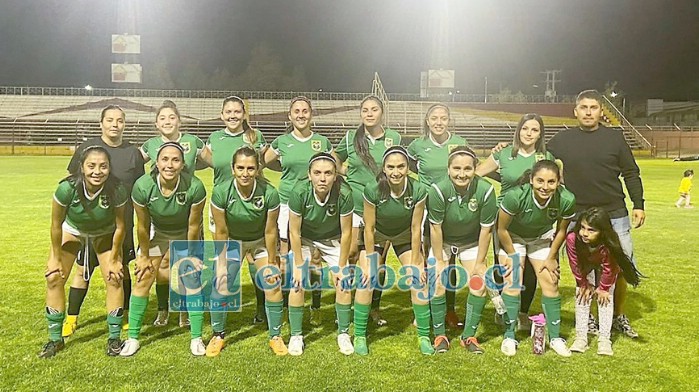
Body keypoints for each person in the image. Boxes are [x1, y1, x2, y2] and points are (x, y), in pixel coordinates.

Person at [547, 89, 645, 338]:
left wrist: (639, 204)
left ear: (601, 111)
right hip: (579, 216)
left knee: (621, 266)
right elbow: (538, 158)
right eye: (583, 107)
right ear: (575, 111)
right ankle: (588, 317)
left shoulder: (615, 139)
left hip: (614, 212)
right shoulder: (562, 140)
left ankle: (618, 316)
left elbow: (631, 172)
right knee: (584, 268)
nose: (588, 112)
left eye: (593, 107)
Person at [62, 105, 145, 337]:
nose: (114, 125)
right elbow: (73, 181)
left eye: (119, 120)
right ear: (101, 123)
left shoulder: (133, 153)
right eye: (110, 120)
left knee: (122, 269)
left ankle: (124, 314)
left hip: (122, 222)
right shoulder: (87, 148)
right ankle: (71, 317)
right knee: (83, 269)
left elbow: (138, 189)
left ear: (124, 124)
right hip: (90, 223)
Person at [119, 142, 206, 357]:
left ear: (183, 164)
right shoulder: (142, 186)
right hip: (158, 234)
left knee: (191, 281)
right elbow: (142, 225)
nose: (170, 164)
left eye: (175, 160)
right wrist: (144, 256)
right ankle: (133, 339)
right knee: (143, 278)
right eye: (165, 159)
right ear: (157, 162)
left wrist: (192, 256)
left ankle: (196, 338)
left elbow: (193, 226)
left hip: (185, 234)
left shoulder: (195, 186)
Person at [40, 146, 127, 358]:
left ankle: (114, 338)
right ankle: (54, 340)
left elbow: (121, 226)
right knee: (54, 277)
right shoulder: (66, 188)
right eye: (91, 166)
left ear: (109, 168)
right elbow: (55, 224)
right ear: (81, 167)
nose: (97, 171)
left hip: (104, 233)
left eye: (103, 166)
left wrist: (115, 258)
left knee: (115, 277)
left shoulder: (117, 189)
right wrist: (54, 257)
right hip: (73, 231)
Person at [476, 113, 555, 331]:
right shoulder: (503, 154)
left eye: (534, 130)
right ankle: (502, 309)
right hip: (505, 220)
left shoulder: (545, 157)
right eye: (525, 129)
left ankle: (522, 313)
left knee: (530, 269)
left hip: (535, 220)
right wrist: (498, 187)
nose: (529, 133)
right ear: (518, 131)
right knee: (507, 267)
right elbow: (477, 173)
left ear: (540, 134)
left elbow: (555, 184)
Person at [353, 146, 434, 355]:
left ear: (408, 167)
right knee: (367, 279)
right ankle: (360, 335)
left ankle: (424, 336)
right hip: (377, 233)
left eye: (401, 166)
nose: (395, 171)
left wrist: (417, 262)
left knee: (419, 280)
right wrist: (371, 259)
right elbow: (369, 229)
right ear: (384, 168)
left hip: (403, 235)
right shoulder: (373, 189)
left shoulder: (419, 189)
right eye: (391, 167)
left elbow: (416, 227)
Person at [207, 146, 287, 357]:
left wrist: (272, 260)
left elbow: (271, 231)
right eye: (240, 168)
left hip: (260, 240)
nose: (245, 173)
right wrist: (222, 259)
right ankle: (218, 335)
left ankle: (276, 336)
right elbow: (221, 231)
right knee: (221, 284)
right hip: (233, 241)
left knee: (273, 283)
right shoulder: (221, 192)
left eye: (250, 168)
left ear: (258, 169)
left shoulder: (269, 193)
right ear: (233, 169)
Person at [264, 96, 333, 325]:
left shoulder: (322, 142)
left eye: (305, 111)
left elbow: (334, 168)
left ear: (311, 114)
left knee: (314, 258)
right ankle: (286, 304)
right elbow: (265, 162)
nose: (301, 115)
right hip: (286, 204)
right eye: (296, 111)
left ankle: (315, 306)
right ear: (290, 115)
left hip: (314, 205)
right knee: (287, 258)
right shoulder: (282, 142)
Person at [201, 95, 268, 325]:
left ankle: (261, 307)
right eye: (228, 112)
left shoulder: (254, 136)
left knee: (254, 256)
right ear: (222, 115)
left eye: (237, 112)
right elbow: (208, 163)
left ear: (244, 114)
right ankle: (222, 313)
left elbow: (264, 163)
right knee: (224, 257)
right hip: (222, 205)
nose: (232, 116)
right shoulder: (214, 138)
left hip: (250, 204)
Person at [335, 95, 402, 326]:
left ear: (382, 112)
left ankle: (374, 308)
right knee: (352, 254)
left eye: (374, 109)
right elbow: (334, 159)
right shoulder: (350, 137)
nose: (369, 113)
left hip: (381, 207)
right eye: (365, 110)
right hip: (355, 205)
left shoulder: (394, 137)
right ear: (360, 113)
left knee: (378, 261)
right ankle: (351, 301)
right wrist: (346, 172)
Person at [497, 160, 574, 357]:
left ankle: (555, 338)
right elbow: (501, 229)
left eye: (551, 182)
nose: (545, 187)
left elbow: (561, 231)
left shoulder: (566, 199)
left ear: (558, 182)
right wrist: (513, 256)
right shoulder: (515, 196)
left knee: (551, 281)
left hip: (541, 238)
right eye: (540, 181)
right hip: (512, 238)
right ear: (531, 180)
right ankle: (509, 336)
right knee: (513, 280)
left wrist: (552, 257)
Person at [139, 100, 205, 328]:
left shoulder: (192, 142)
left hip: (189, 210)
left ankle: (184, 311)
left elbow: (219, 162)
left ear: (179, 120)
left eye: (172, 117)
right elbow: (132, 164)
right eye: (162, 118)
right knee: (164, 262)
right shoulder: (150, 144)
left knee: (187, 263)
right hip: (162, 214)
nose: (168, 121)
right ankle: (163, 309)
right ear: (156, 123)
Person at [427, 146, 497, 354]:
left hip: (471, 242)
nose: (462, 173)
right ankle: (440, 335)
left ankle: (469, 337)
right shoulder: (438, 189)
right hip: (444, 241)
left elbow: (486, 230)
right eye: (456, 168)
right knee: (438, 282)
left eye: (467, 168)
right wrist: (439, 260)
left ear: (475, 168)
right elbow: (435, 228)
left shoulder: (486, 190)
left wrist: (480, 263)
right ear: (448, 169)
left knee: (479, 284)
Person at [407, 103, 469, 329]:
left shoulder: (459, 143)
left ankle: (449, 310)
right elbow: (408, 166)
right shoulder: (417, 145)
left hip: (452, 207)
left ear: (449, 120)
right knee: (424, 259)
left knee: (448, 260)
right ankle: (422, 307)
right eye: (434, 118)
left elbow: (470, 168)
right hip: (425, 207)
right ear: (427, 121)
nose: (439, 122)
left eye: (443, 118)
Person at [286, 152, 354, 356]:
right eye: (317, 173)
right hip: (305, 238)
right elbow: (294, 232)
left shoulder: (344, 193)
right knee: (297, 284)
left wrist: (342, 266)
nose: (322, 178)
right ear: (309, 175)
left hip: (332, 238)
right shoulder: (299, 192)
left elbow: (347, 231)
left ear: (335, 175)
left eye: (328, 173)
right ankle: (296, 335)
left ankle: (343, 333)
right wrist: (299, 265)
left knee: (344, 282)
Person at [566, 207, 642, 356]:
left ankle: (604, 339)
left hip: (605, 268)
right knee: (582, 295)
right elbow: (574, 263)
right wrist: (583, 284)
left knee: (605, 297)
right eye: (582, 227)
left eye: (591, 230)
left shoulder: (609, 243)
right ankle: (581, 337)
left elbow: (610, 268)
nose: (585, 233)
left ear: (602, 231)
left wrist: (603, 288)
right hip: (585, 265)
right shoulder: (573, 238)